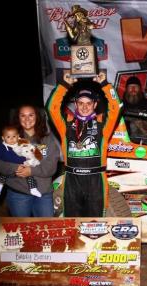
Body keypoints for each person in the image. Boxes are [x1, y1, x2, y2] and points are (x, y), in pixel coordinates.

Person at [46, 72, 121, 217]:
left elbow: (116, 107)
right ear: (75, 104)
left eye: (88, 103)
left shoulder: (102, 123)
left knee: (95, 225)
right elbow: (52, 108)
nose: (85, 107)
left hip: (96, 181)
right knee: (72, 224)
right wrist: (64, 85)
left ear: (95, 104)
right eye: (81, 103)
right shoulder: (66, 123)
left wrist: (105, 85)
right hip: (72, 181)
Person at [0, 105, 59, 217]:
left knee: (45, 231)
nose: (27, 119)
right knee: (21, 231)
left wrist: (31, 171)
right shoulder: (11, 137)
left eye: (31, 115)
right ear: (18, 118)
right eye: (23, 115)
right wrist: (15, 168)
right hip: (18, 195)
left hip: (44, 194)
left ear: (37, 117)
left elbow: (51, 167)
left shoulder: (48, 139)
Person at [0, 126, 42, 197]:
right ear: (3, 138)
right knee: (3, 175)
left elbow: (30, 147)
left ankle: (33, 189)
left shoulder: (21, 142)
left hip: (24, 165)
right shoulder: (2, 146)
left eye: (14, 136)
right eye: (8, 137)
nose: (12, 139)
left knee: (30, 176)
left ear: (18, 136)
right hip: (11, 167)